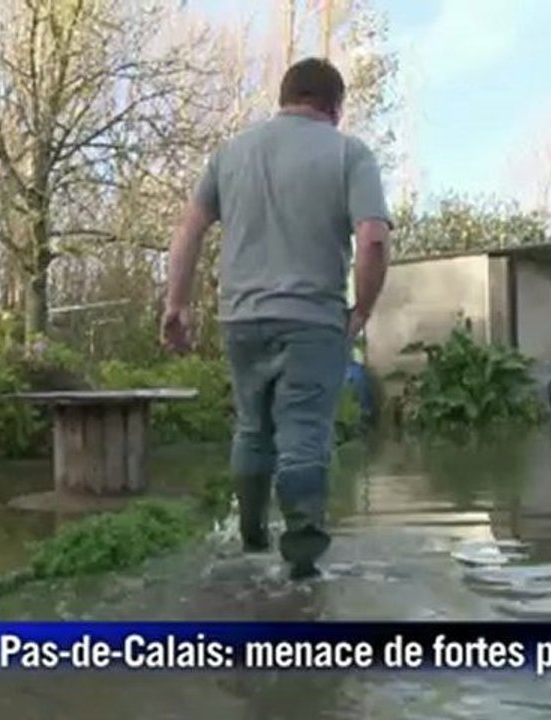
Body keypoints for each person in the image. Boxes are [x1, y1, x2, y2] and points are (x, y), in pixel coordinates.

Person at [161, 57, 392, 579]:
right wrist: (363, 308)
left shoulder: (230, 154)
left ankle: (250, 544)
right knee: (304, 433)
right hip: (312, 319)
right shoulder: (349, 153)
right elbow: (373, 238)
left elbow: (188, 231)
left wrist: (176, 305)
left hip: (240, 320)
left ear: (285, 97)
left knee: (252, 429)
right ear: (335, 107)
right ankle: (303, 569)